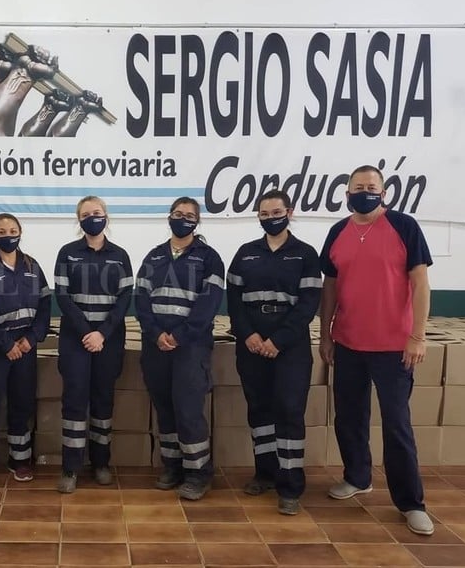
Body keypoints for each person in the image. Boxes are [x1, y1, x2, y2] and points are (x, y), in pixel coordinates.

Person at [319, 165, 434, 536]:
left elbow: (420, 283)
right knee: (349, 417)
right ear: (347, 193)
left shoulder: (404, 227)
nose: (364, 192)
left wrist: (417, 335)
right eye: (358, 186)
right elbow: (330, 287)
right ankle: (357, 477)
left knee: (396, 424)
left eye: (371, 187)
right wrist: (325, 335)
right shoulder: (338, 232)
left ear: (384, 194)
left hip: (394, 348)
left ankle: (411, 503)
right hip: (348, 343)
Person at [226, 190, 322, 515]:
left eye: (276, 212)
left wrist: (278, 340)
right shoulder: (246, 253)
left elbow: (308, 305)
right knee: (259, 410)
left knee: (289, 411)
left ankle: (290, 485)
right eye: (264, 214)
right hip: (251, 344)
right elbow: (234, 300)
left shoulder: (305, 254)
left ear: (289, 213)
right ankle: (264, 473)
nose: (270, 218)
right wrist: (248, 335)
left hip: (290, 347)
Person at [134, 197, 224, 501]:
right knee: (165, 408)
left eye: (189, 215)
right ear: (169, 217)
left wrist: (180, 336)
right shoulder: (154, 256)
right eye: (177, 213)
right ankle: (172, 466)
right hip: (156, 346)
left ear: (197, 221)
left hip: (191, 347)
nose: (182, 218)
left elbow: (209, 304)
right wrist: (156, 333)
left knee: (188, 410)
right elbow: (141, 299)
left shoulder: (209, 258)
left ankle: (198, 473)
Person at [54, 196, 134, 493]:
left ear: (106, 216)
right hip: (75, 338)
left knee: (103, 399)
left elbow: (124, 299)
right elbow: (62, 296)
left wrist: (102, 333)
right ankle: (70, 467)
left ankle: (101, 463)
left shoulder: (120, 255)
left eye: (97, 212)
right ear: (79, 220)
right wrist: (88, 332)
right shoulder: (67, 253)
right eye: (86, 214)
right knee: (74, 400)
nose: (92, 218)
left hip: (108, 339)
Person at [0, 213, 51, 486]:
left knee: (22, 403)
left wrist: (32, 338)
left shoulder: (32, 265)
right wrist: (4, 344)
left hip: (25, 345)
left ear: (20, 232)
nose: (8, 236)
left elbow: (45, 306)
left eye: (13, 231)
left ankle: (20, 460)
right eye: (1, 232)